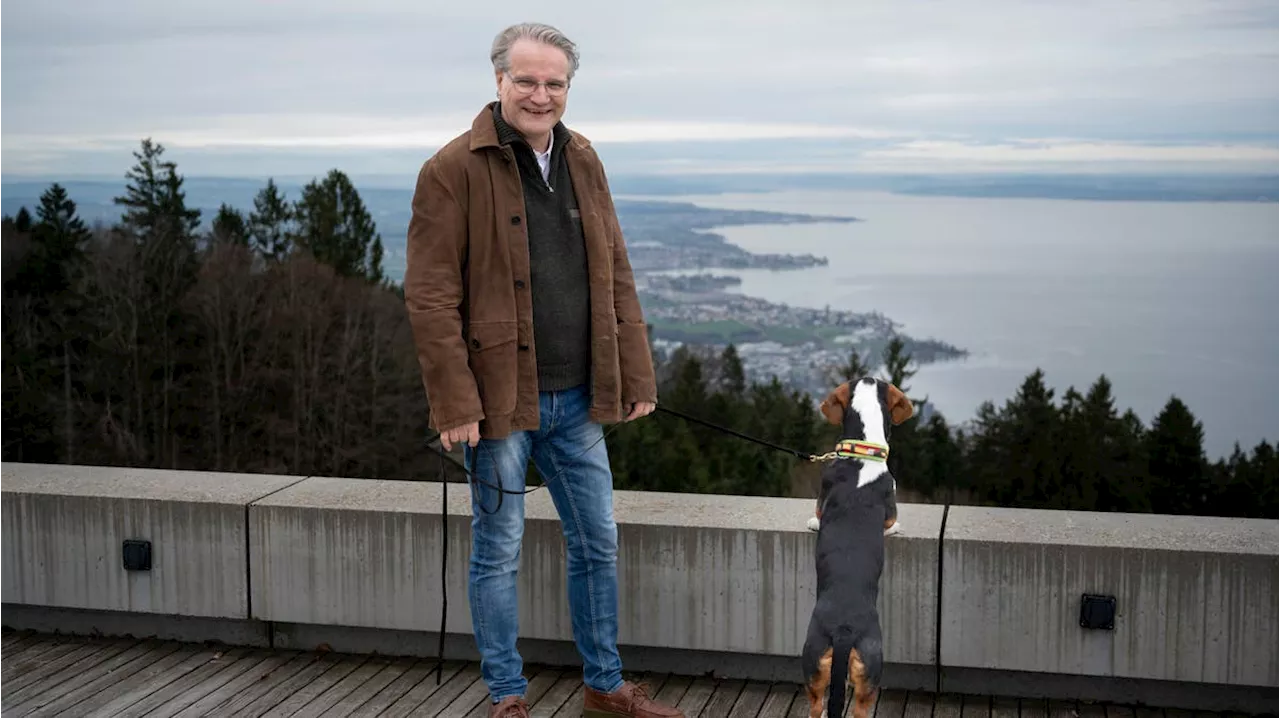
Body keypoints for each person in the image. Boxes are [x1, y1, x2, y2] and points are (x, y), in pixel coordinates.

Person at [404, 21, 684, 718]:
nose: (539, 94)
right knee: (497, 553)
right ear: (497, 81)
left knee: (599, 544)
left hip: (580, 398)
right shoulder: (451, 169)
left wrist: (637, 376)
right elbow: (431, 296)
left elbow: (615, 268)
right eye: (525, 80)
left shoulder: (583, 157)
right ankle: (506, 696)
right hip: (498, 405)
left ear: (568, 88)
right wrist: (453, 405)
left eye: (553, 83)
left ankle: (604, 685)